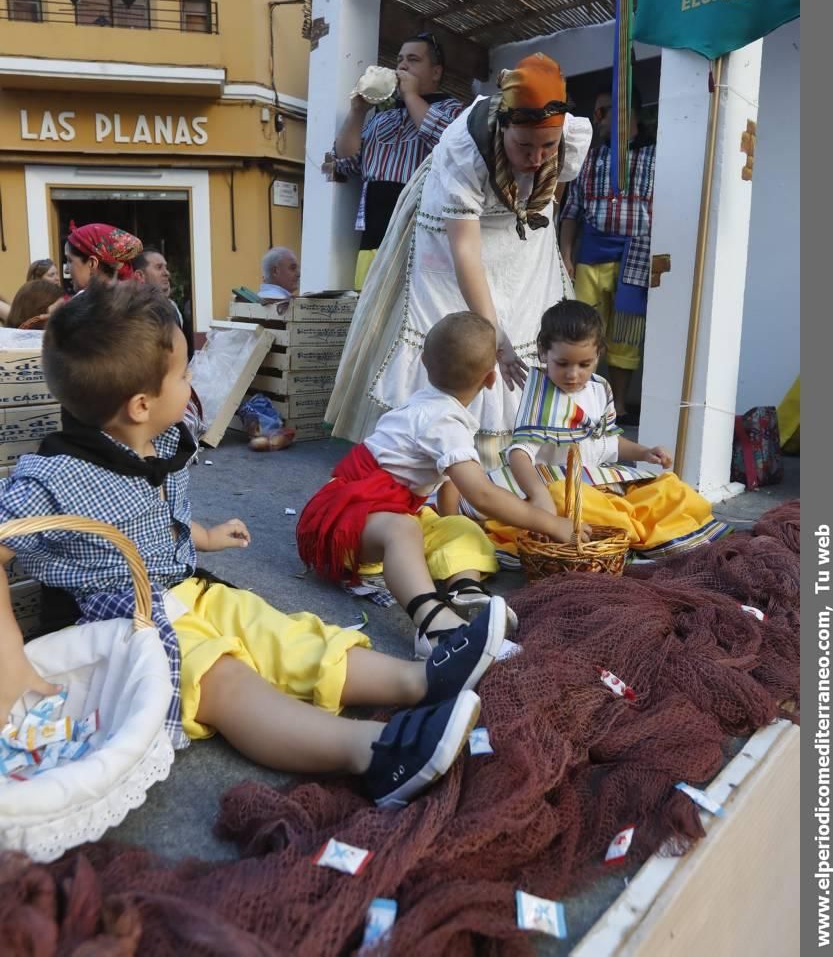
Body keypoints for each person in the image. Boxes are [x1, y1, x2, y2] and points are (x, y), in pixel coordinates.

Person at [0, 281, 509, 809]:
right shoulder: (55, 478)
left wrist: (202, 536)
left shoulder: (159, 441)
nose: (192, 380)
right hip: (122, 627)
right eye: (184, 373)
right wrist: (11, 664)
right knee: (224, 681)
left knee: (279, 632)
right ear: (140, 404)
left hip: (183, 587)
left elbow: (148, 520)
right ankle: (374, 753)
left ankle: (420, 679)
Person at [325, 53, 593, 468]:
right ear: (504, 127)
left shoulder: (571, 136)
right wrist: (495, 337)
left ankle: (522, 454)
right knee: (455, 328)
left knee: (526, 315)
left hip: (518, 229)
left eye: (548, 145)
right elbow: (464, 250)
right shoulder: (462, 149)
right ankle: (432, 455)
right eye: (524, 145)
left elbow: (550, 189)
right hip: (450, 234)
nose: (537, 158)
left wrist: (528, 214)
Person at [298, 312, 589, 657]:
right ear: (491, 379)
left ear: (424, 362)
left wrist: (453, 522)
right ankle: (433, 626)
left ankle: (466, 595)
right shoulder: (443, 421)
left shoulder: (431, 407)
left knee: (459, 527)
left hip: (371, 519)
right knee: (404, 530)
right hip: (342, 526)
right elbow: (481, 494)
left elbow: (448, 480)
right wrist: (553, 523)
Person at [458, 300, 730, 557]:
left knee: (669, 487)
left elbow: (607, 441)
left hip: (599, 481)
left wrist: (644, 452)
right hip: (557, 488)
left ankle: (645, 528)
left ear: (598, 354)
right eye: (562, 364)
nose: (573, 374)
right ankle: (631, 533)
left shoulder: (600, 389)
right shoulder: (541, 395)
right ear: (543, 352)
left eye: (584, 364)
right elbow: (519, 454)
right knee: (572, 501)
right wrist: (540, 497)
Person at [327, 33, 463, 291]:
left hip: (421, 239)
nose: (402, 66)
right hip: (373, 237)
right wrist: (358, 111)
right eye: (400, 60)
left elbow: (451, 147)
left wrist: (411, 96)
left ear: (435, 72)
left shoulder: (453, 110)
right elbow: (345, 162)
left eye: (413, 60)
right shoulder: (381, 118)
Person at [559, 89, 655, 422]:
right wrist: (566, 255)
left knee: (625, 335)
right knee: (584, 328)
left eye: (606, 112)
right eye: (598, 114)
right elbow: (571, 211)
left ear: (631, 116)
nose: (600, 120)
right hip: (592, 254)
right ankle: (586, 403)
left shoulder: (656, 158)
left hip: (637, 256)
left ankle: (619, 407)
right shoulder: (588, 160)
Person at [65, 222, 143, 292]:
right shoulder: (128, 301)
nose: (66, 270)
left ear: (92, 264)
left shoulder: (96, 306)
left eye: (70, 260)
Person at [133, 247, 185, 327]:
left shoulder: (172, 306)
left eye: (166, 267)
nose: (167, 273)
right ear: (140, 276)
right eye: (159, 267)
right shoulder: (132, 312)